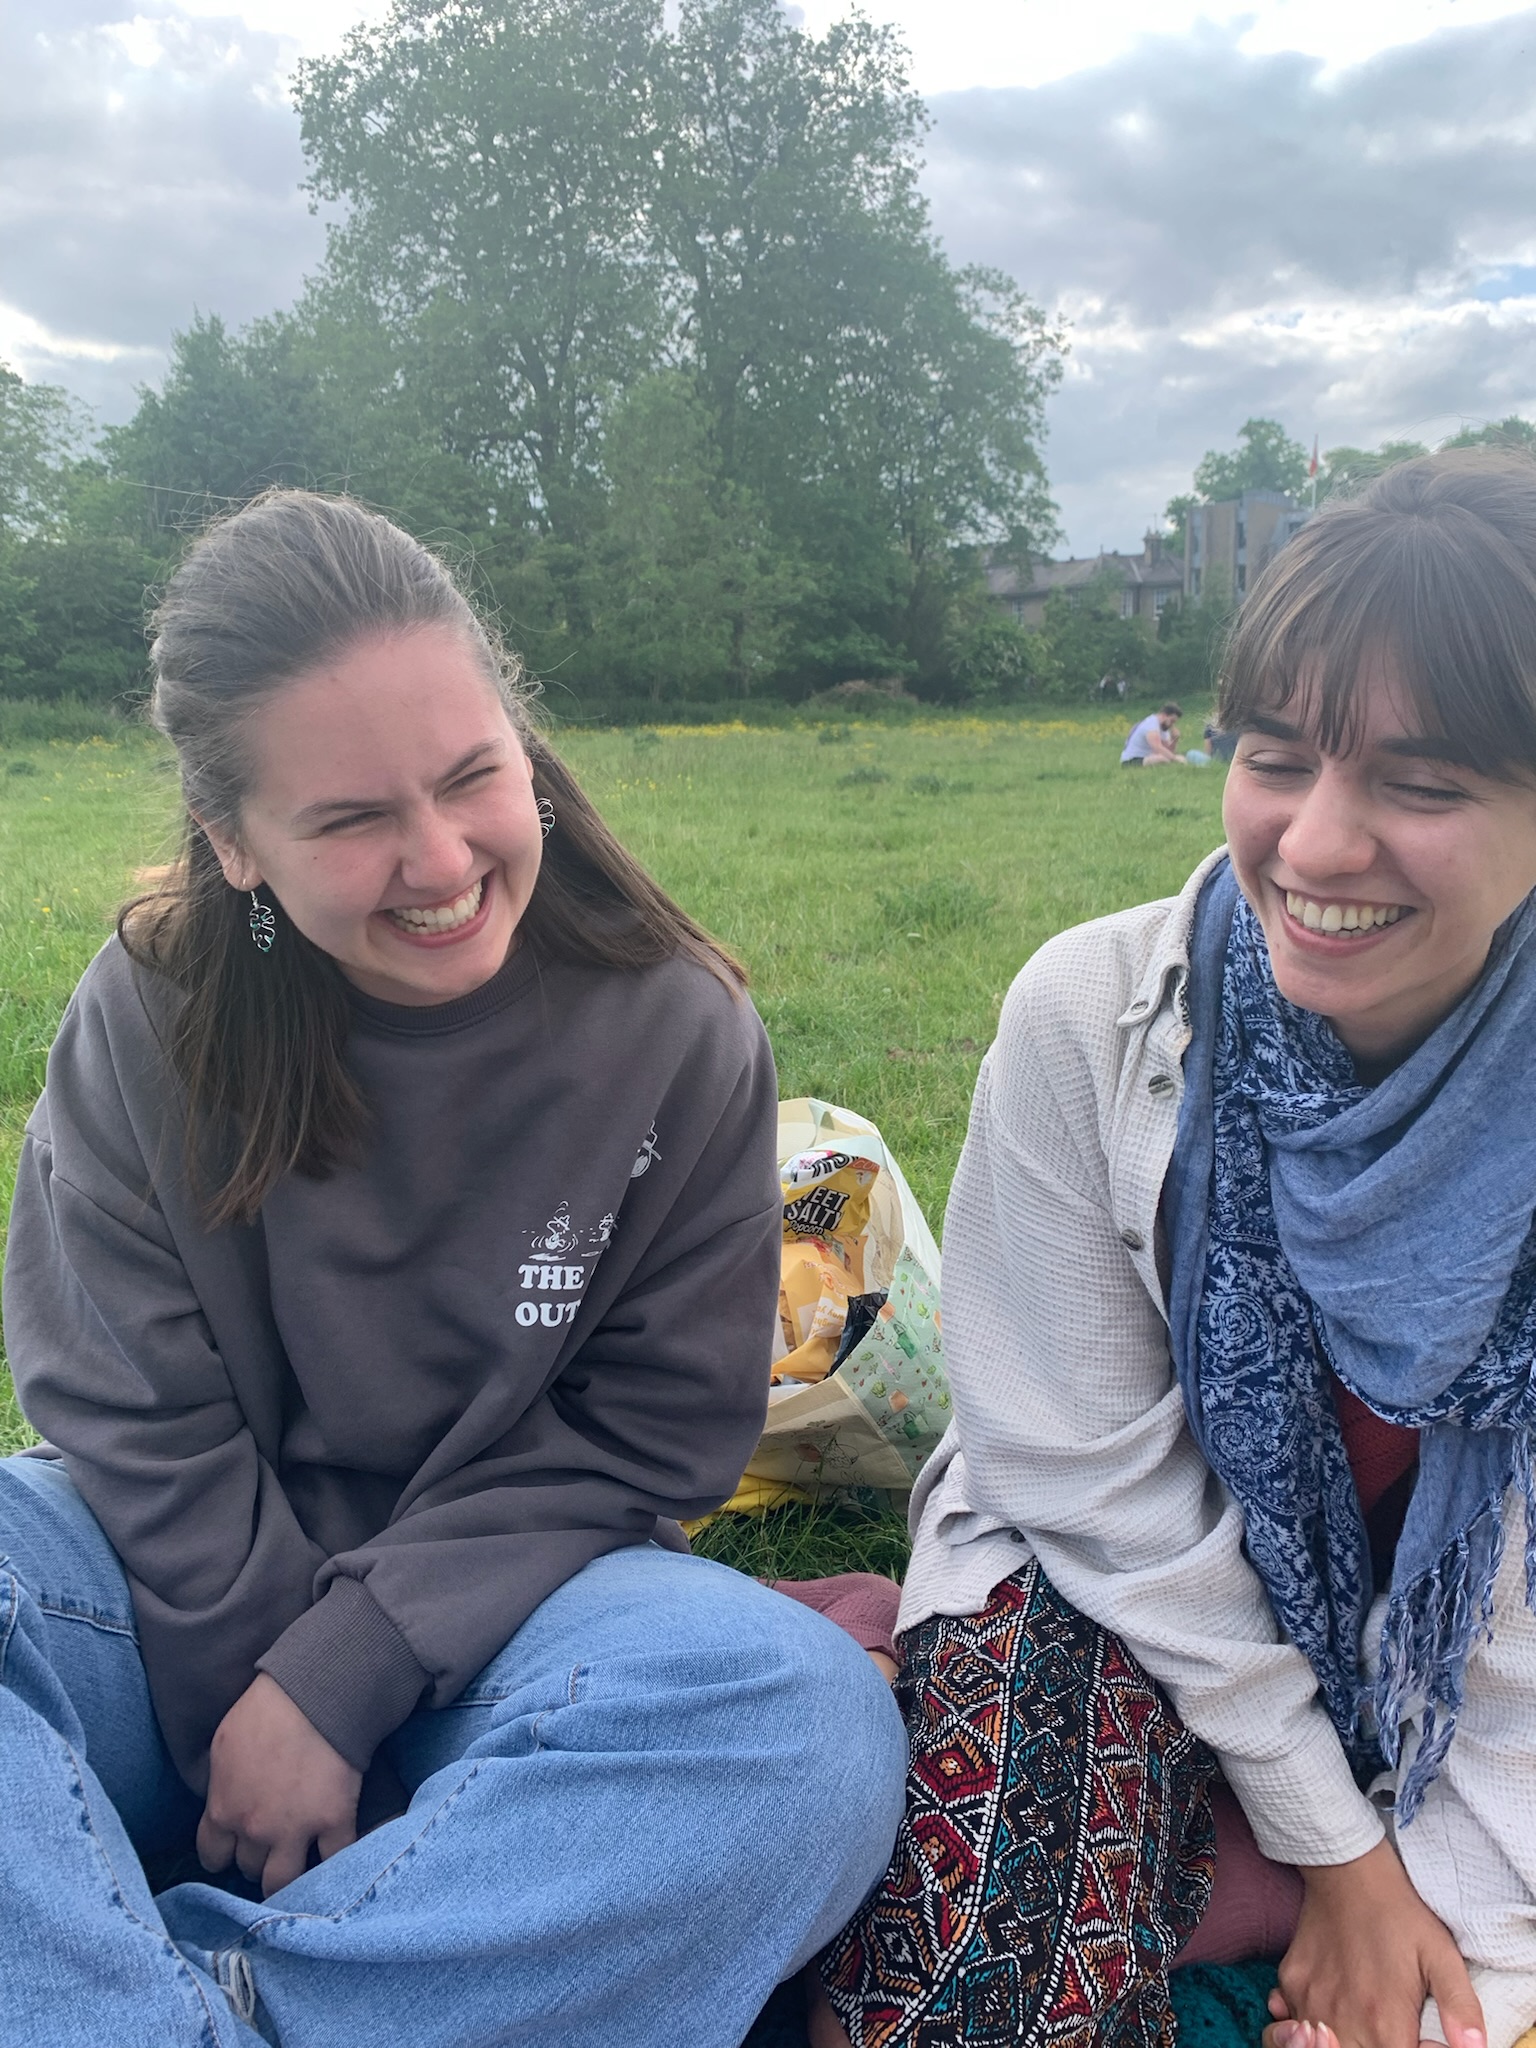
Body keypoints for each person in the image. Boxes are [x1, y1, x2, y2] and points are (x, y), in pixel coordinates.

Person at [0, 491, 906, 2048]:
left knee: (807, 1730)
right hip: (165, 1611)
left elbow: (647, 1436)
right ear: (234, 845)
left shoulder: (680, 1033)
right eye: (350, 820)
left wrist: (344, 1678)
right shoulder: (149, 1013)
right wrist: (261, 1698)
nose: (439, 860)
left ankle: (164, 1992)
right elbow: (121, 1401)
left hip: (515, 1634)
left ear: (521, 740)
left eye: (474, 777)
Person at [812, 450, 1536, 2048]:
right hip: (1115, 1585)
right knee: (975, 2000)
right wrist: (1341, 1852)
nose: (1319, 846)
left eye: (1420, 787)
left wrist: (1460, 1957)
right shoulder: (1098, 1013)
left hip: (1463, 1691)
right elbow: (1079, 1475)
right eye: (1275, 758)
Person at [1122, 701, 1185, 765]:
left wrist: (1175, 739)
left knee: (1169, 757)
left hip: (1148, 758)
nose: (1172, 725)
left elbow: (1168, 751)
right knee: (1162, 759)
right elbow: (1157, 748)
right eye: (1171, 721)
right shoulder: (1151, 725)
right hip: (1132, 760)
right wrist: (1175, 759)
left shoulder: (1163, 728)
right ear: (1164, 715)